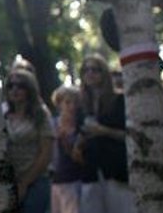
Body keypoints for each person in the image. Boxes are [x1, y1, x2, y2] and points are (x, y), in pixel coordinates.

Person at [75, 54, 133, 213]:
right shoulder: (81, 105)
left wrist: (104, 131)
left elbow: (131, 136)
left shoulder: (119, 100)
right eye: (85, 70)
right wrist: (78, 143)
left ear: (104, 73)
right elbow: (80, 134)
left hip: (116, 170)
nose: (90, 73)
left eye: (95, 69)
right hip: (90, 172)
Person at [4, 68, 53, 213]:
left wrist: (24, 183)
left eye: (20, 86)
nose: (15, 89)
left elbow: (46, 154)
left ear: (29, 89)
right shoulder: (2, 114)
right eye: (11, 86)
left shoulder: (41, 114)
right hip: (8, 182)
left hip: (36, 181)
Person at [50, 85, 83, 213]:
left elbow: (81, 160)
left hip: (74, 181)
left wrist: (65, 142)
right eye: (68, 102)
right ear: (59, 104)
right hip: (53, 182)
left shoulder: (81, 127)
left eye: (75, 102)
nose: (72, 106)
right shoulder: (51, 124)